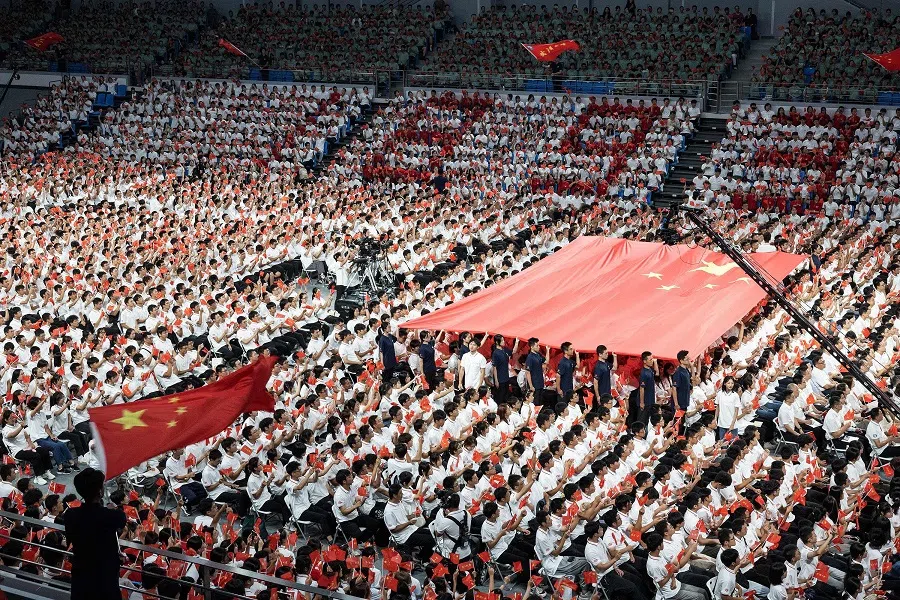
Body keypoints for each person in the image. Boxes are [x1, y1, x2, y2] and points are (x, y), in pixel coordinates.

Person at [64, 467, 126, 600]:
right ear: (100, 491)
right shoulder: (111, 516)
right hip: (105, 575)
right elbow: (121, 519)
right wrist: (113, 508)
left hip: (81, 573)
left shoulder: (70, 515)